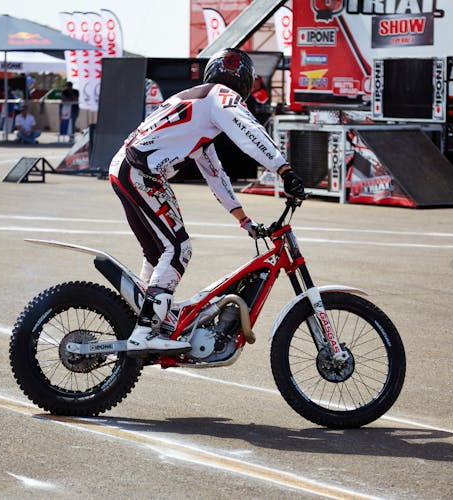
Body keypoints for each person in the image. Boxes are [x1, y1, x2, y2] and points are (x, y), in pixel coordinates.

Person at [108, 48, 305, 357]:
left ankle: (142, 317)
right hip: (140, 171)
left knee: (158, 250)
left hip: (129, 167)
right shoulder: (220, 96)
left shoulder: (200, 107)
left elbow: (215, 174)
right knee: (177, 249)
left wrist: (243, 219)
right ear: (245, 79)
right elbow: (250, 132)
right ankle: (147, 329)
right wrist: (284, 169)